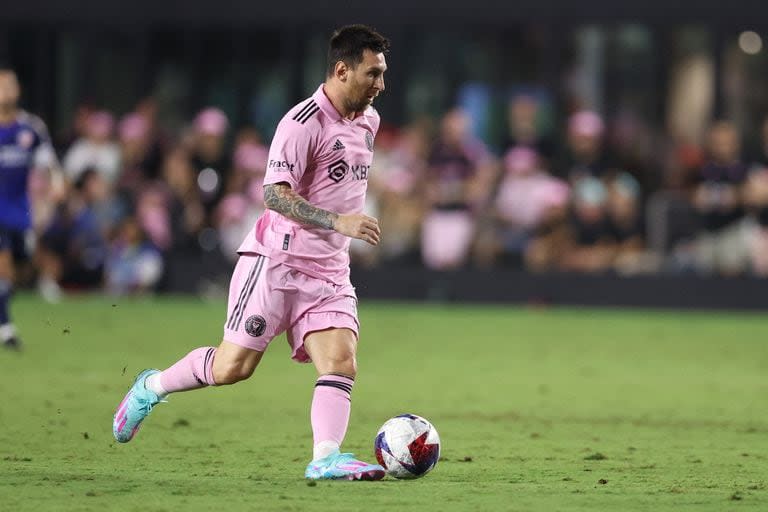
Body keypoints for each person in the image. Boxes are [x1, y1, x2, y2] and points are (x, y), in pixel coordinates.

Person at [112, 24, 390, 481]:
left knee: (341, 361)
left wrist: (341, 229)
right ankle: (151, 386)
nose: (381, 85)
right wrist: (337, 221)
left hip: (330, 271)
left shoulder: (369, 120)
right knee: (231, 368)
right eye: (373, 73)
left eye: (382, 74)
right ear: (341, 70)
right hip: (276, 264)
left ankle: (326, 457)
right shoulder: (301, 124)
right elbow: (274, 195)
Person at [0, 67, 62, 349]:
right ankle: (6, 329)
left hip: (19, 210)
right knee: (3, 266)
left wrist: (56, 184)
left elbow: (47, 162)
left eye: (10, 85)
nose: (6, 91)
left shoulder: (30, 127)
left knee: (20, 268)